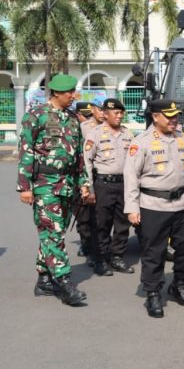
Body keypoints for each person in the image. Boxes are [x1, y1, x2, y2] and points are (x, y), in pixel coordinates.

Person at [124, 99, 184, 318]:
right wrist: (132, 208)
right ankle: (153, 293)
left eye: (175, 116)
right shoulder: (142, 142)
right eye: (169, 116)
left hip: (181, 204)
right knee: (154, 252)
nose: (174, 120)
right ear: (155, 117)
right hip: (153, 205)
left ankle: (179, 284)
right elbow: (131, 176)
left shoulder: (182, 138)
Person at [17, 73, 89, 306]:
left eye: (73, 91)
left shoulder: (73, 118)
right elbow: (26, 150)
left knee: (53, 233)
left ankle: (44, 280)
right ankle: (64, 282)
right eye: (69, 92)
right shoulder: (36, 115)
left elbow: (79, 154)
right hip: (44, 185)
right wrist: (24, 186)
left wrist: (83, 182)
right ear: (56, 93)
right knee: (54, 232)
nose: (73, 96)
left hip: (67, 184)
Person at [83, 98, 134, 277]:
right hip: (103, 184)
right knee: (101, 224)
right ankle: (101, 259)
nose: (120, 116)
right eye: (116, 113)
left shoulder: (128, 133)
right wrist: (89, 188)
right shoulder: (95, 134)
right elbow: (87, 162)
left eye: (121, 113)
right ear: (105, 114)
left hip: (124, 184)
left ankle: (117, 257)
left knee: (123, 223)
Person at [76, 97, 105, 265]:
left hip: (103, 178)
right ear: (93, 109)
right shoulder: (83, 127)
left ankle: (100, 249)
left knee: (101, 218)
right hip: (85, 175)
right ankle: (87, 245)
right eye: (100, 109)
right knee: (84, 215)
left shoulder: (111, 127)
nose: (102, 113)